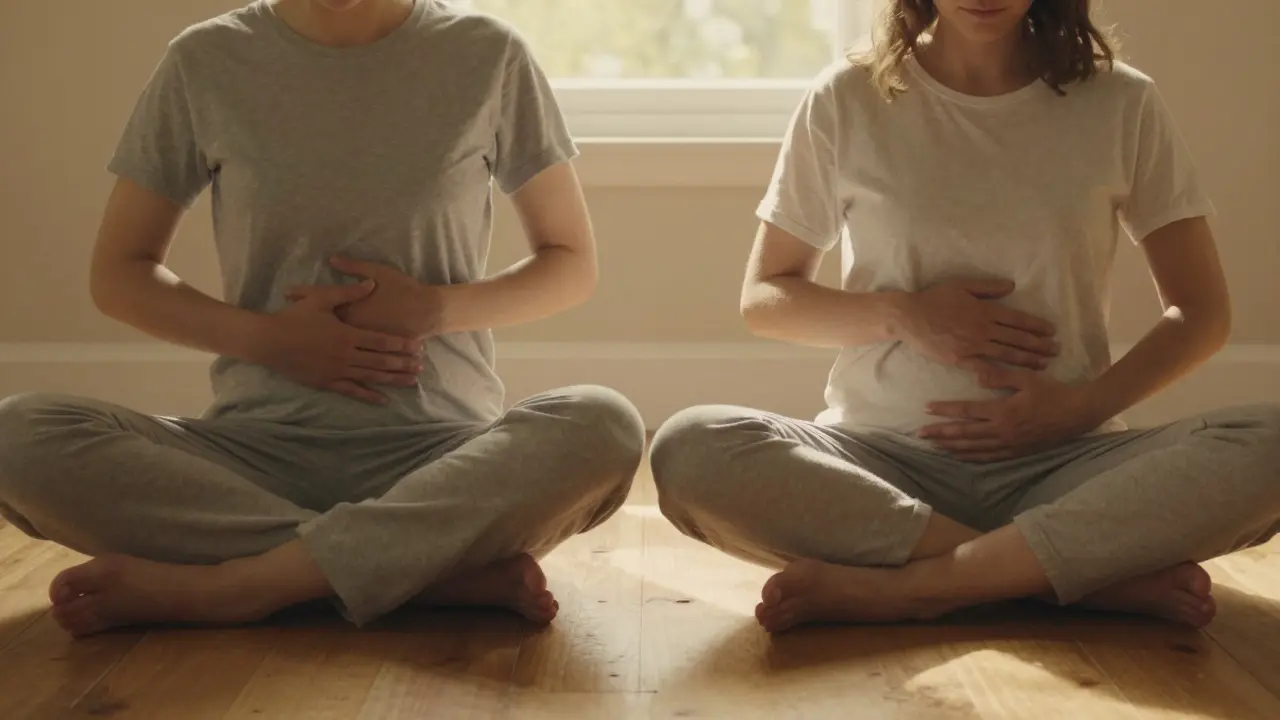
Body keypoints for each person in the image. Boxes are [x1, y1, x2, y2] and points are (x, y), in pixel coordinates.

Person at [0, 0, 645, 638]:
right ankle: (420, 575)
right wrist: (270, 342)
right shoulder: (205, 59)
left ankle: (240, 585)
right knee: (15, 435)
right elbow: (120, 274)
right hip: (250, 458)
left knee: (604, 424)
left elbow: (570, 262)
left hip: (440, 463)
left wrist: (435, 307)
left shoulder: (489, 54)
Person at [651, 0, 1280, 633]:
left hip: (1066, 467)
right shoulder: (847, 97)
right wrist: (903, 315)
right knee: (689, 448)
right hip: (879, 466)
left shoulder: (1122, 101)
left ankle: (920, 587)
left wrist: (1080, 408)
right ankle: (1066, 576)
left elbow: (1202, 313)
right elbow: (766, 297)